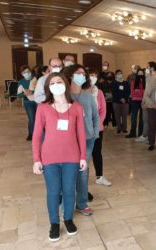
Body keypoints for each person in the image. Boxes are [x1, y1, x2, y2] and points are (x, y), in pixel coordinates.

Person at [32, 72, 87, 241]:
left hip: (71, 157)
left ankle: (68, 219)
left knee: (70, 190)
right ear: (48, 87)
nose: (56, 84)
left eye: (59, 81)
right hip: (49, 158)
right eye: (52, 82)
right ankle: (54, 223)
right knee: (53, 192)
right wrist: (36, 159)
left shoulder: (76, 107)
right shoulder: (43, 107)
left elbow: (81, 134)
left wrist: (83, 156)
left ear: (66, 84)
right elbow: (36, 135)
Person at [63, 64, 100, 216]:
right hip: (69, 141)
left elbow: (95, 117)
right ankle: (66, 203)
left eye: (83, 74)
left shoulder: (87, 96)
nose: (82, 76)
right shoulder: (65, 96)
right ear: (70, 76)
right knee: (67, 172)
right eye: (78, 73)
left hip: (88, 139)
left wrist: (95, 133)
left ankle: (82, 203)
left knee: (83, 171)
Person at [88, 69, 112, 186]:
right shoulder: (81, 92)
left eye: (95, 75)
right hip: (84, 128)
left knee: (97, 152)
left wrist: (97, 124)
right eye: (91, 75)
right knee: (83, 154)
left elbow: (103, 110)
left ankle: (99, 176)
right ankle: (81, 178)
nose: (93, 77)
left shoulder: (99, 92)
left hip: (97, 127)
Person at [17, 65, 37, 141]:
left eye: (28, 72)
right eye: (24, 72)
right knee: (32, 119)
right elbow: (18, 95)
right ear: (22, 74)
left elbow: (40, 90)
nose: (27, 73)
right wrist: (24, 94)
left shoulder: (35, 79)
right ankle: (31, 134)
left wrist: (32, 91)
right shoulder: (21, 82)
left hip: (37, 102)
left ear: (31, 72)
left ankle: (39, 133)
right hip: (28, 102)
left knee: (38, 119)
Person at [142, 61, 156, 151]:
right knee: (151, 125)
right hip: (151, 105)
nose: (146, 69)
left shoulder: (154, 78)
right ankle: (151, 142)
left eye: (147, 67)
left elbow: (150, 93)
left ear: (152, 68)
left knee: (154, 126)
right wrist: (144, 102)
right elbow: (146, 92)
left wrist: (154, 104)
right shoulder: (148, 78)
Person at [126, 68, 145, 138]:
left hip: (143, 101)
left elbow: (144, 92)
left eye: (141, 73)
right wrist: (140, 92)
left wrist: (139, 91)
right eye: (139, 73)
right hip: (134, 101)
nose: (140, 74)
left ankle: (140, 133)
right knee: (133, 117)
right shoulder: (133, 81)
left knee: (142, 118)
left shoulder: (145, 82)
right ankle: (133, 132)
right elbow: (133, 92)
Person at [112, 70, 130, 134]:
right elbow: (114, 92)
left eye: (121, 73)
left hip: (125, 102)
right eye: (118, 73)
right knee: (117, 116)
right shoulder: (114, 83)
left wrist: (125, 98)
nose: (120, 74)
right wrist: (120, 98)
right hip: (116, 102)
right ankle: (119, 128)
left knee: (124, 116)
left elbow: (128, 92)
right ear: (116, 75)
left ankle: (124, 128)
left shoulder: (126, 83)